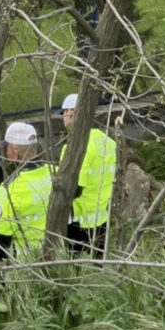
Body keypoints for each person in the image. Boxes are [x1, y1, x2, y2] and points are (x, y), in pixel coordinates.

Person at [60, 94, 117, 256]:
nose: (64, 118)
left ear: (71, 112)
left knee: (75, 271)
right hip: (102, 217)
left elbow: (74, 188)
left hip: (78, 220)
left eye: (65, 113)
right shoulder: (108, 142)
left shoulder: (74, 147)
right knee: (98, 267)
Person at [0, 122, 53, 259]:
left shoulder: (10, 188)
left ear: (15, 152)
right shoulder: (54, 174)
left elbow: (1, 236)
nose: (6, 152)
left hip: (27, 262)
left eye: (7, 148)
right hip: (57, 255)